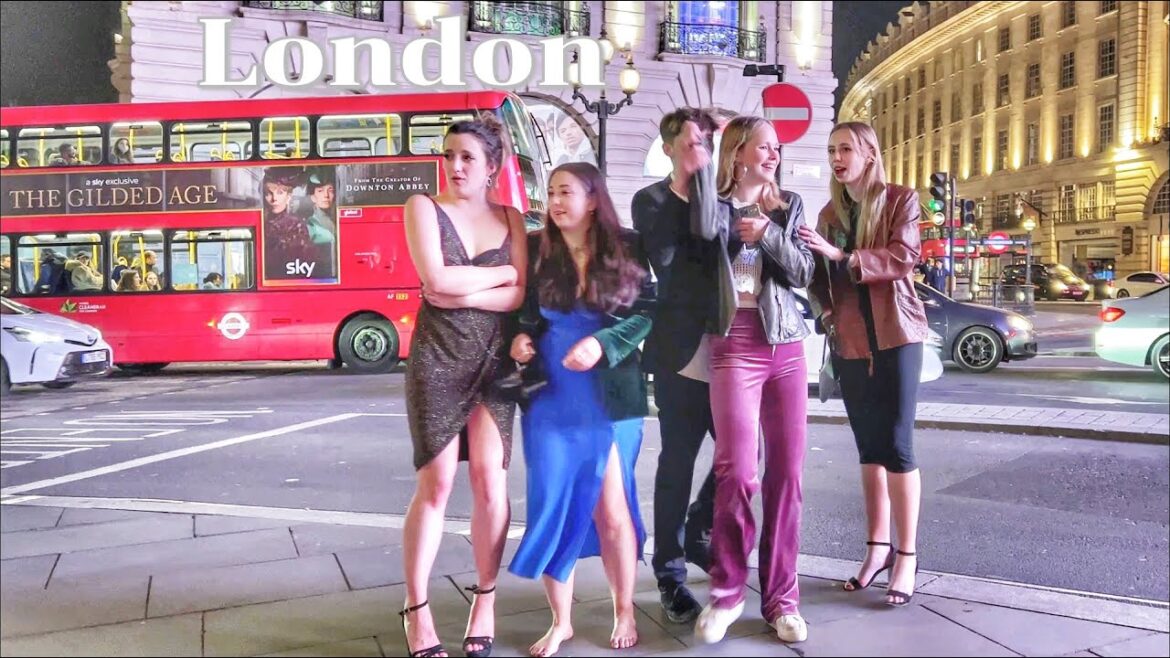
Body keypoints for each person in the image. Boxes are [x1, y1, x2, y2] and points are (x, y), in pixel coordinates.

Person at [507, 163, 653, 657]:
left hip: (610, 392)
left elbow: (648, 312)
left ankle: (624, 607)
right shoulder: (535, 246)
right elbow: (521, 312)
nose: (555, 200)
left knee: (612, 509)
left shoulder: (629, 246)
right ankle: (561, 621)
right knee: (553, 503)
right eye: (550, 192)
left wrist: (605, 342)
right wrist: (522, 338)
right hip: (552, 392)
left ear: (593, 199)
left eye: (565, 191)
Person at [400, 113, 528, 658]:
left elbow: (518, 297)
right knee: (436, 486)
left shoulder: (514, 218)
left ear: (492, 167)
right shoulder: (423, 208)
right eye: (449, 155)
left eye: (467, 157)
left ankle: (486, 598)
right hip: (436, 359)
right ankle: (416, 606)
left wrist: (471, 288)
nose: (454, 165)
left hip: (495, 364)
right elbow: (436, 281)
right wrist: (498, 277)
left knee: (491, 486)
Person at [688, 116, 814, 645]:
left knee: (787, 475)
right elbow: (697, 243)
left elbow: (804, 272)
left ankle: (782, 599)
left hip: (785, 344)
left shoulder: (789, 207)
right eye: (763, 147)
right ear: (738, 153)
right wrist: (704, 143)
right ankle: (728, 592)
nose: (773, 155)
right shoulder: (712, 209)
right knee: (737, 470)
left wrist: (769, 234)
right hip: (733, 343)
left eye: (777, 147)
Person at [798, 121, 930, 608]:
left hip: (897, 335)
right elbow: (816, 277)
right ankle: (876, 549)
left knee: (897, 446)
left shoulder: (900, 199)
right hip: (850, 342)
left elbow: (903, 256)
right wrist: (827, 313)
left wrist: (843, 255)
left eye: (846, 148)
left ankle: (907, 555)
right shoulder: (829, 212)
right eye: (832, 149)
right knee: (868, 449)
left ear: (869, 154)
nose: (838, 156)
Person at [631, 107, 721, 625]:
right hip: (679, 353)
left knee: (743, 454)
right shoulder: (653, 200)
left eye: (706, 142)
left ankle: (700, 525)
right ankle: (669, 573)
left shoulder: (721, 196)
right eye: (690, 143)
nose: (700, 150)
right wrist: (699, 191)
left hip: (728, 350)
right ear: (669, 148)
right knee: (677, 462)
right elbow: (665, 262)